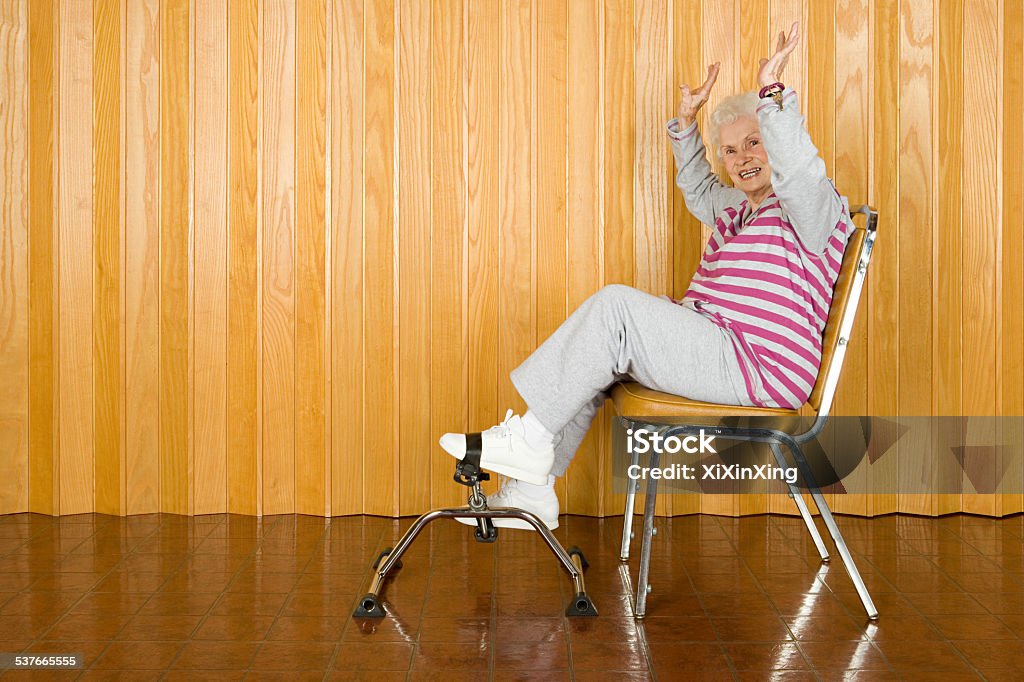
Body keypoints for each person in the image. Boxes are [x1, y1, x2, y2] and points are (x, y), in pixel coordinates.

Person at [439, 22, 852, 530]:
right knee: (594, 359)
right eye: (731, 151)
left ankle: (530, 440)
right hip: (724, 346)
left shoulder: (811, 208)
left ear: (775, 141)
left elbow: (802, 170)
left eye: (754, 143)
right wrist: (685, 124)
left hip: (756, 364)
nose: (742, 158)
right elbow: (701, 191)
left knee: (614, 309)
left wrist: (771, 92)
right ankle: (531, 492)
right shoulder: (742, 209)